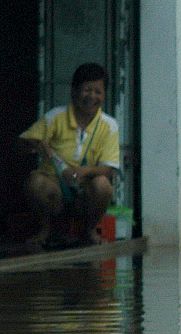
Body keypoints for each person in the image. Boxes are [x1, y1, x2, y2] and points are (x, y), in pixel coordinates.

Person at [19, 62, 120, 250]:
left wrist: (84, 172)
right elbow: (23, 142)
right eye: (86, 90)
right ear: (74, 92)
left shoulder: (109, 125)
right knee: (35, 182)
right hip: (54, 187)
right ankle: (46, 230)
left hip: (84, 191)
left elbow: (109, 169)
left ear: (104, 95)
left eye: (98, 91)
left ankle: (89, 231)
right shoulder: (54, 117)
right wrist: (36, 144)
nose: (92, 96)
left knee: (103, 185)